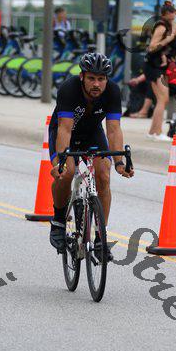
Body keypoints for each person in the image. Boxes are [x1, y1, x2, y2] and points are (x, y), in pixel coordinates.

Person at [48, 52, 134, 258]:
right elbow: (65, 129)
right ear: (82, 77)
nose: (97, 84)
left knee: (104, 174)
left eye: (101, 79)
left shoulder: (112, 91)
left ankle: (100, 237)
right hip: (65, 133)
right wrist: (61, 163)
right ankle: (58, 221)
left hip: (93, 133)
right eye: (92, 78)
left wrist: (119, 162)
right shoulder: (69, 88)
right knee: (66, 173)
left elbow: (113, 129)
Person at [144, 1, 176, 141]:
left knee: (162, 99)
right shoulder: (161, 27)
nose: (175, 15)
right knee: (162, 99)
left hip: (160, 67)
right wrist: (168, 39)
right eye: (172, 12)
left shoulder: (172, 26)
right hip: (154, 66)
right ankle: (158, 132)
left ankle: (152, 132)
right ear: (166, 14)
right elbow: (152, 47)